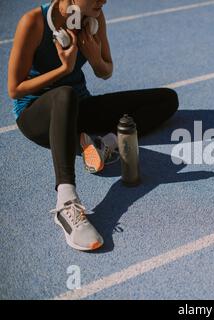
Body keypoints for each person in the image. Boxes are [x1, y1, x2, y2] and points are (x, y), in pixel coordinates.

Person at [7, 0, 179, 251]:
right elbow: (14, 88)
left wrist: (95, 57)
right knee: (65, 94)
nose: (104, 0)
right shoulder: (32, 22)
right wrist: (64, 68)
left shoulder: (95, 18)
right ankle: (66, 203)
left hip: (79, 107)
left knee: (166, 99)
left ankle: (105, 144)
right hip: (37, 115)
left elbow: (105, 71)